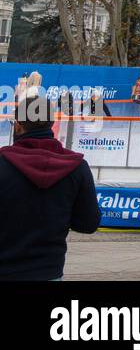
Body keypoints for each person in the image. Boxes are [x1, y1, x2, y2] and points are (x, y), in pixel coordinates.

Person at [0, 92, 100, 280]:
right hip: (48, 271)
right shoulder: (77, 166)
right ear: (51, 124)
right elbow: (89, 223)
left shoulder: (3, 162)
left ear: (19, 126)